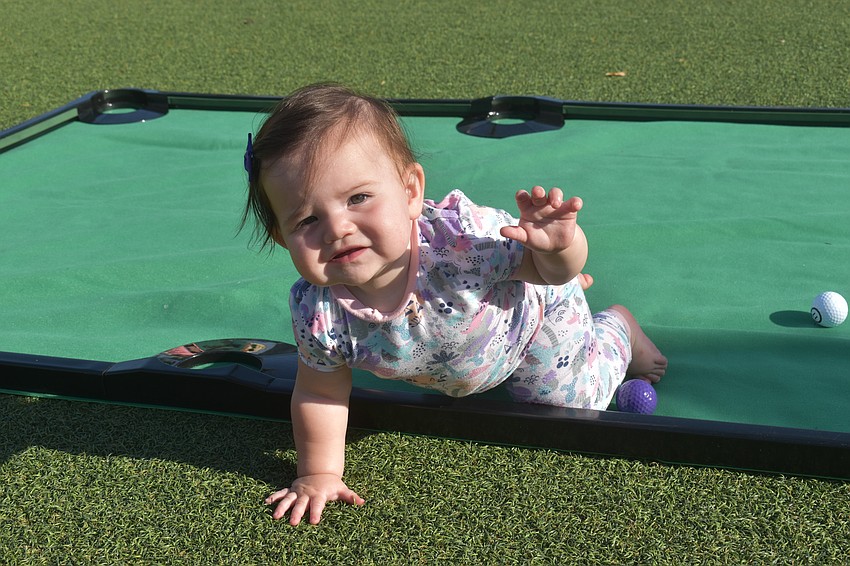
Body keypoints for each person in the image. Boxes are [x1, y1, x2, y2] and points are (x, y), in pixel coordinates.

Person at [242, 83, 667, 525]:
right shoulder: (319, 311)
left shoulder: (462, 243)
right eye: (307, 220)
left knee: (566, 405)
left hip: (535, 319)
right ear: (281, 238)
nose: (336, 229)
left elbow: (549, 272)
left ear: (410, 192)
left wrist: (558, 250)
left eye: (358, 198)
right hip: (471, 353)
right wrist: (319, 473)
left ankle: (618, 330)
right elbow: (319, 392)